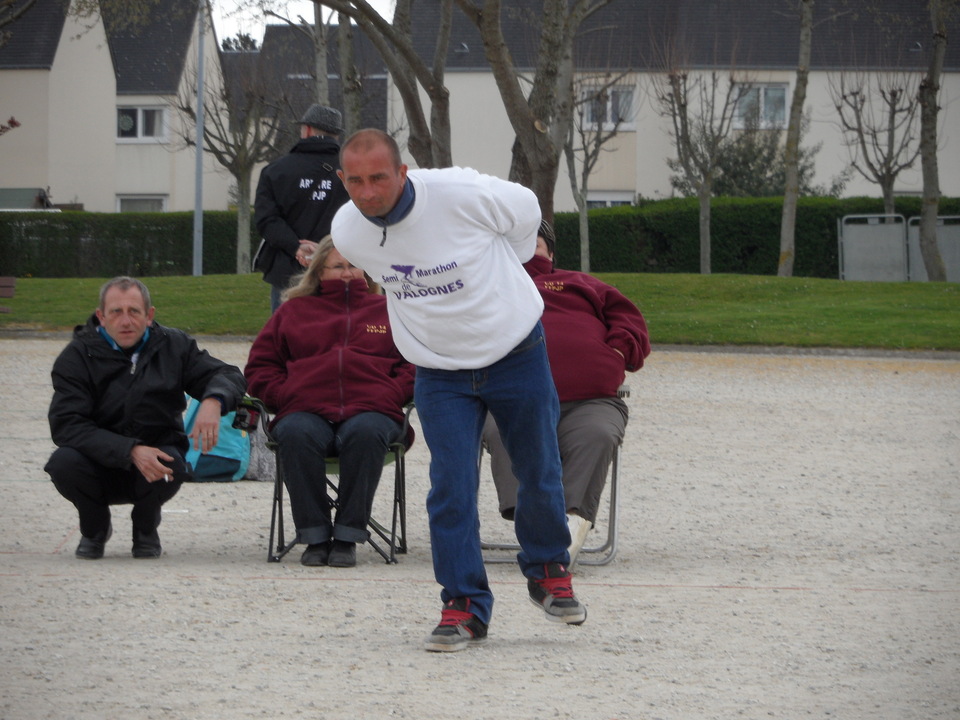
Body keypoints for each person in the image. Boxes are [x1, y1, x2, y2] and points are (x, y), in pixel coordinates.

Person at [331, 128, 586, 652]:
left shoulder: (462, 193)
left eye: (379, 177)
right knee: (450, 486)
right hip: (438, 369)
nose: (369, 191)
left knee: (537, 466)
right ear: (342, 180)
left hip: (515, 349)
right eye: (355, 181)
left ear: (403, 173)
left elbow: (526, 213)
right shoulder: (349, 232)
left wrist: (504, 268)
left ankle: (547, 571)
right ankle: (464, 605)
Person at [482, 220, 650, 566]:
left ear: (552, 253)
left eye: (535, 244)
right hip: (511, 400)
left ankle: (569, 528)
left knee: (600, 433)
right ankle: (541, 528)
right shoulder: (486, 285)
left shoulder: (582, 284)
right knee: (498, 430)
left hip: (590, 400)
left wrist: (617, 352)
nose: (527, 251)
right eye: (517, 244)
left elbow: (629, 322)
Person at [45, 277, 246, 560]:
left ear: (149, 316)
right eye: (116, 312)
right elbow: (66, 424)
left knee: (169, 461)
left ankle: (146, 528)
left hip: (157, 456)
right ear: (101, 317)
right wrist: (128, 450)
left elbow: (228, 375)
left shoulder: (175, 345)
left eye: (134, 311)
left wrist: (213, 401)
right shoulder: (76, 356)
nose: (125, 320)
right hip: (96, 461)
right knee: (62, 463)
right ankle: (94, 528)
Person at [244, 237, 415, 568]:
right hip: (306, 408)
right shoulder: (293, 311)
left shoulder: (391, 311)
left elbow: (415, 365)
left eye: (353, 265)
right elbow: (260, 367)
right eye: (339, 266)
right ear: (319, 271)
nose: (348, 273)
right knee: (295, 433)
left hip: (374, 409)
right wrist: (284, 395)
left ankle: (348, 536)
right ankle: (315, 535)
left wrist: (392, 394)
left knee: (365, 432)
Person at [254, 103, 351, 312]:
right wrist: (326, 250)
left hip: (288, 272)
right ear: (336, 135)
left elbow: (266, 220)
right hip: (341, 270)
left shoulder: (275, 171)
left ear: (306, 129)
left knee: (287, 336)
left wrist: (296, 247)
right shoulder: (353, 173)